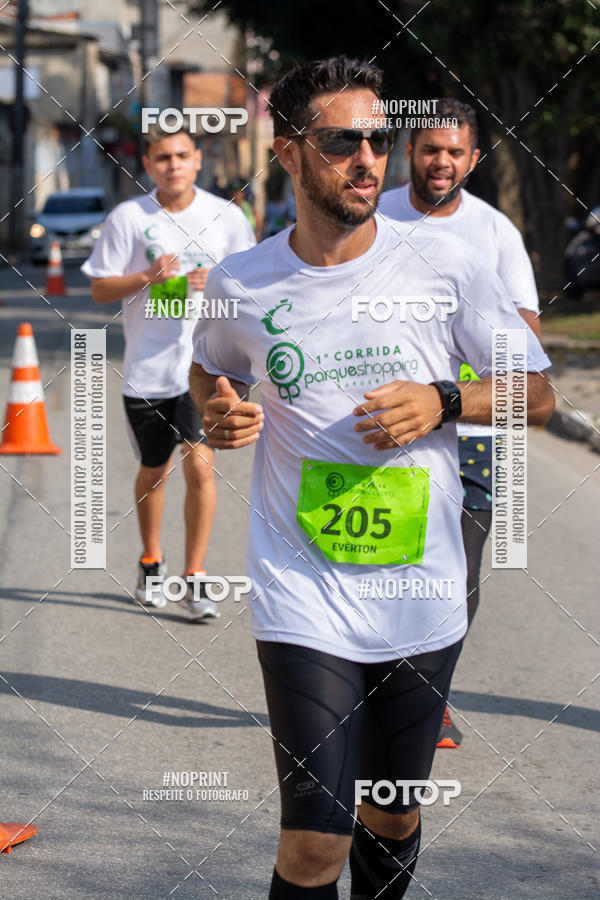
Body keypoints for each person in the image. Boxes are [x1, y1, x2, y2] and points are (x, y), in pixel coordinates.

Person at [189, 57, 554, 899]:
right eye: (341, 140)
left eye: (378, 139)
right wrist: (219, 412)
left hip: (421, 587)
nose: (367, 158)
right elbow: (213, 370)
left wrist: (444, 398)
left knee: (390, 815)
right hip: (301, 588)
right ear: (287, 153)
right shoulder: (241, 283)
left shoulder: (447, 265)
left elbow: (535, 392)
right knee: (314, 845)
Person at [379, 99, 542, 748]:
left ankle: (430, 697)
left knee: (456, 574)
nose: (441, 161)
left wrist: (455, 389)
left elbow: (525, 337)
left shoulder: (495, 233)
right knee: (382, 567)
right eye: (429, 149)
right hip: (385, 432)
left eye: (454, 152)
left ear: (473, 159)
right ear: (410, 152)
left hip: (470, 434)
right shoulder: (374, 217)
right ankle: (379, 687)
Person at [82, 123, 255, 620]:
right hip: (147, 368)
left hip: (206, 365)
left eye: (182, 155)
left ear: (197, 160)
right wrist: (146, 278)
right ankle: (151, 560)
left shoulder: (225, 216)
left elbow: (252, 281)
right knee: (154, 472)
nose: (173, 165)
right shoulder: (128, 218)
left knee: (200, 465)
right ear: (149, 165)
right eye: (163, 158)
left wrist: (218, 281)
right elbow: (97, 290)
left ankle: (195, 577)